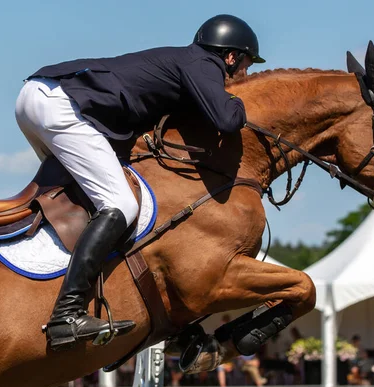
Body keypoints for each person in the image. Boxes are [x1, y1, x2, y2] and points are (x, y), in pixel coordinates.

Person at [15, 14, 265, 351]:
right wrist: (243, 98)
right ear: (231, 57)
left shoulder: (185, 64)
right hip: (60, 104)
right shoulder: (205, 64)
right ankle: (66, 315)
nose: (245, 74)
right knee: (120, 203)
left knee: (92, 200)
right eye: (246, 65)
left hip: (40, 97)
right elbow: (227, 118)